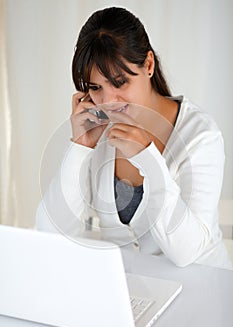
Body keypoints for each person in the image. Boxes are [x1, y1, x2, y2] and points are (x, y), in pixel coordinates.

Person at [36, 7, 232, 269]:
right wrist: (80, 148)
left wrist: (147, 158)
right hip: (136, 293)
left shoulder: (200, 135)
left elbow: (187, 253)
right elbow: (51, 233)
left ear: (148, 65)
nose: (107, 102)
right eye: (95, 88)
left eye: (119, 83)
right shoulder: (97, 130)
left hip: (203, 287)